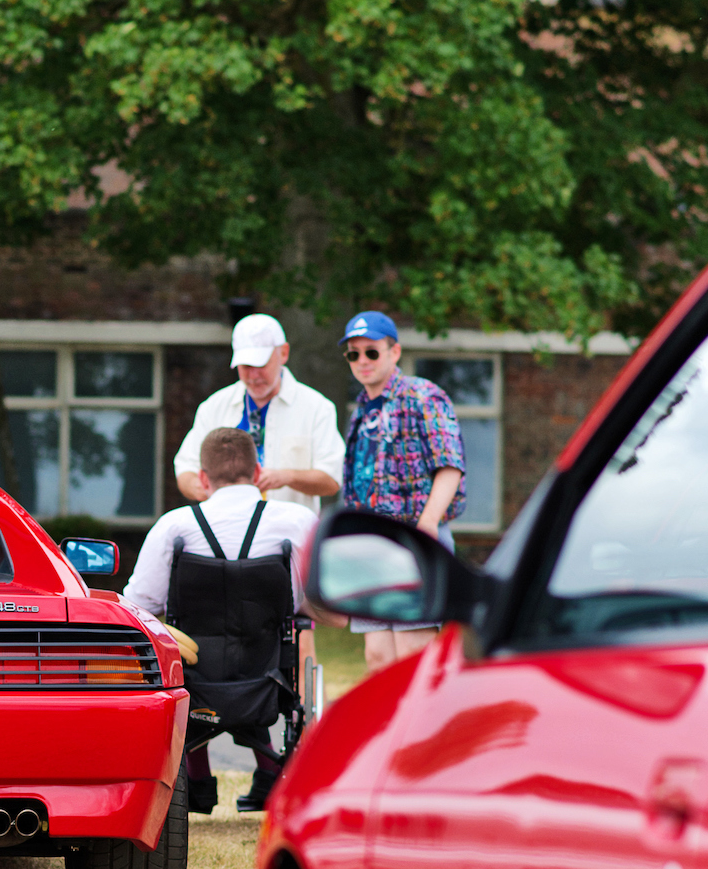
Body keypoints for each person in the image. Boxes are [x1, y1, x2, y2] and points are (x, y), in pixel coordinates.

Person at [125, 428, 317, 814]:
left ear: (203, 478)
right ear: (257, 471)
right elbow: (308, 600)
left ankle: (197, 782)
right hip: (269, 678)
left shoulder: (174, 526)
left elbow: (138, 604)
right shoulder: (296, 521)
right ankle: (270, 774)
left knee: (195, 656)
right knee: (265, 644)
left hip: (196, 676)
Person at [337, 310, 464, 670]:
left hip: (412, 539)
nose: (362, 361)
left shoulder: (423, 395)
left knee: (413, 651)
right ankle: (394, 727)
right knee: (378, 657)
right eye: (353, 353)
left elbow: (450, 465)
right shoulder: (361, 409)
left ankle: (427, 726)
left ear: (394, 352)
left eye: (371, 351)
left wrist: (427, 525)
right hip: (371, 546)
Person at [171, 313, 343, 512]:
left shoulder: (317, 408)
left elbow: (331, 481)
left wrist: (286, 477)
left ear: (284, 353)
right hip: (227, 536)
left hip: (288, 535)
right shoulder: (214, 406)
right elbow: (185, 470)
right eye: (245, 366)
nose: (253, 375)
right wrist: (202, 488)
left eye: (261, 365)